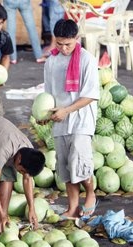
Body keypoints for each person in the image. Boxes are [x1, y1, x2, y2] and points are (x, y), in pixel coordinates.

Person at [43, 19, 100, 220]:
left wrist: (67, 110)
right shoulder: (52, 61)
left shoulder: (87, 60)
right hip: (60, 120)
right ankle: (73, 206)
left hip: (82, 118)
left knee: (79, 158)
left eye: (68, 44)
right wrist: (45, 115)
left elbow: (91, 95)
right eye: (59, 43)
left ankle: (91, 193)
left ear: (77, 38)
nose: (64, 48)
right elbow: (48, 94)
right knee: (65, 165)